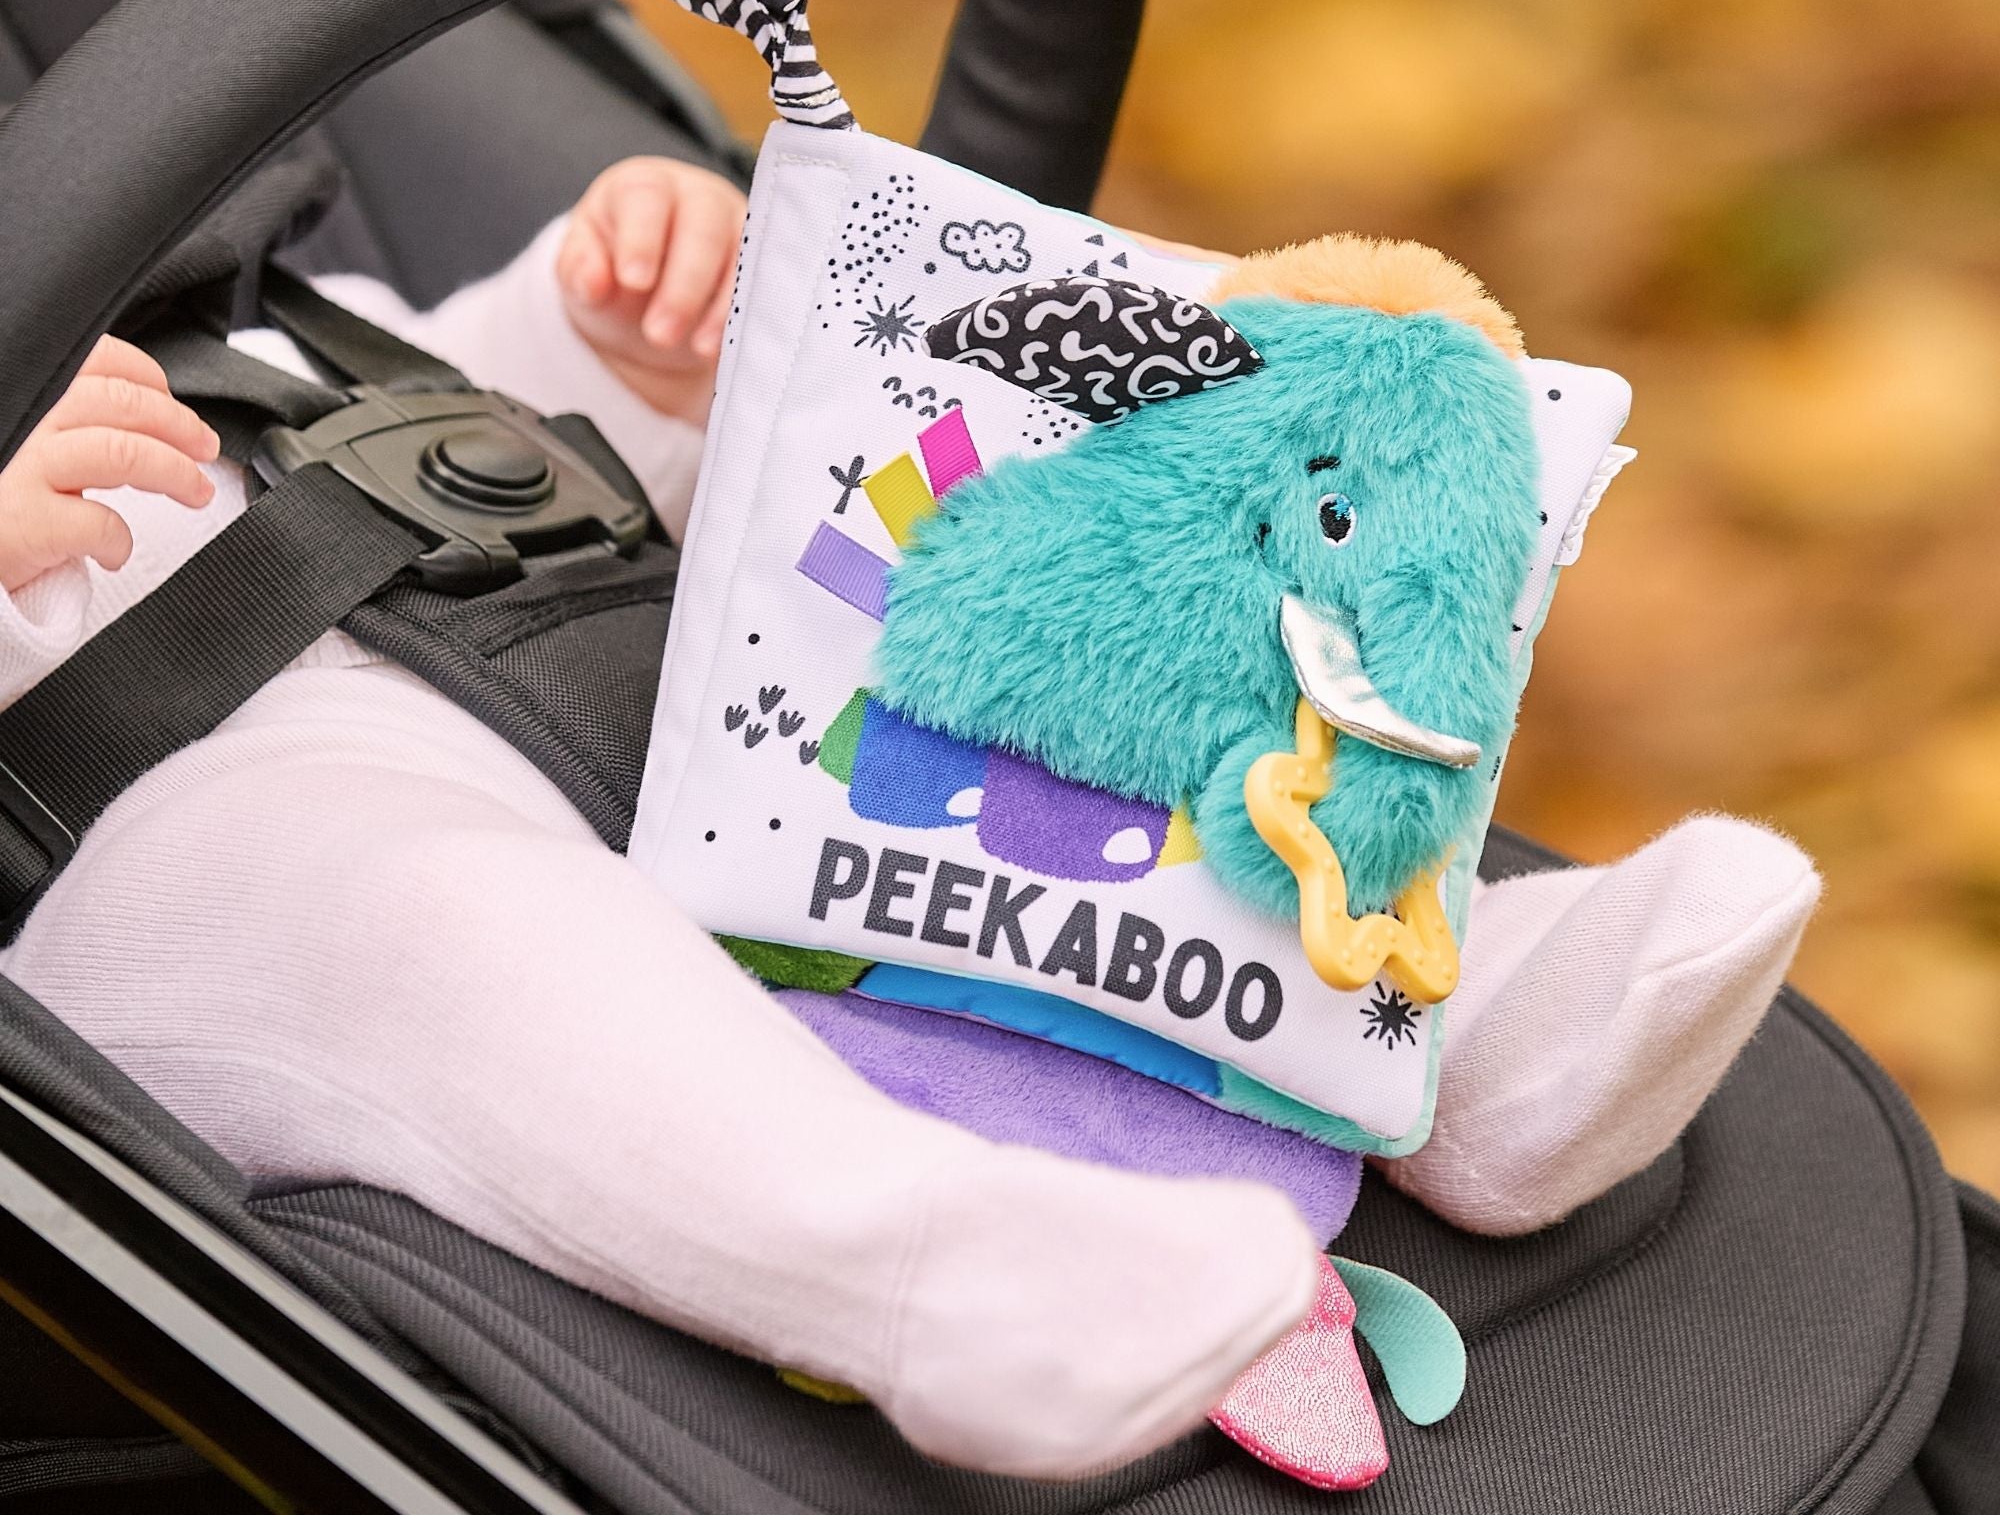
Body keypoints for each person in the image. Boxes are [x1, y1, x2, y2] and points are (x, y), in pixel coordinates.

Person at [0, 156, 1818, 1479]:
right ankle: (933, 1261)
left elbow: (457, 397)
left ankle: (1450, 1026)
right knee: (446, 929)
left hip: (592, 679)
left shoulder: (193, 286)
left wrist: (605, 318)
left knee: (1050, 692)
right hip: (199, 828)